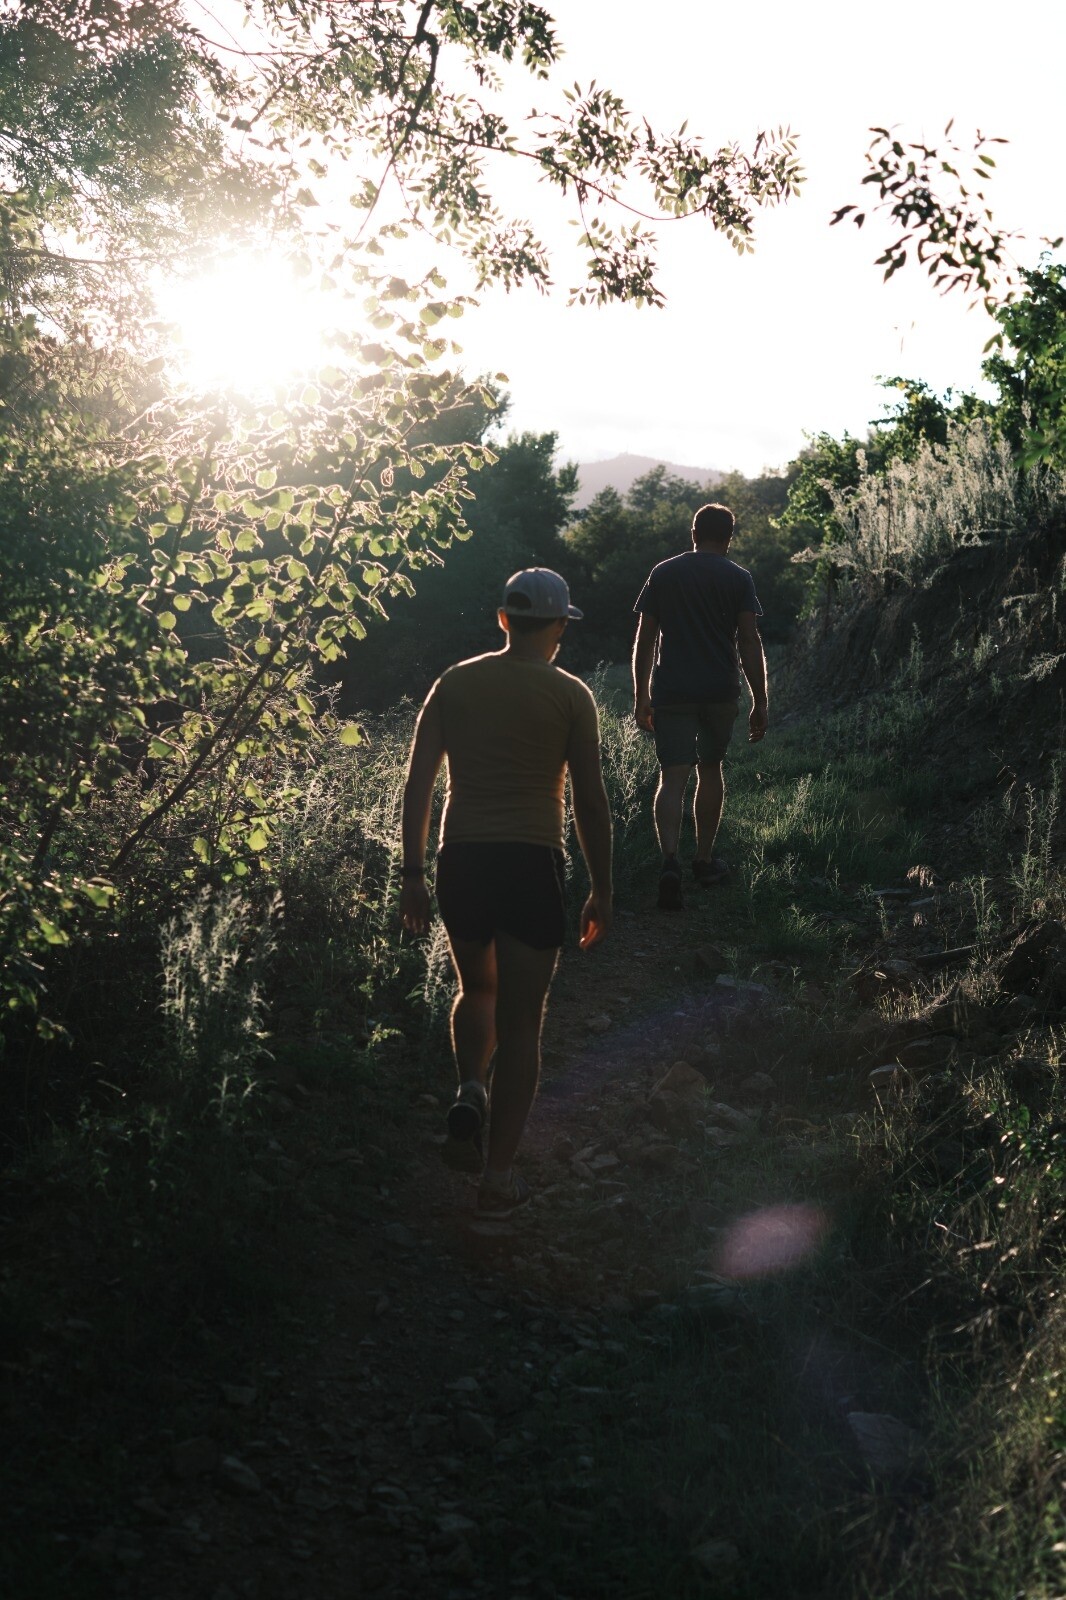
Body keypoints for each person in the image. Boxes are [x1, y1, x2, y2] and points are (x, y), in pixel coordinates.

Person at [399, 567, 613, 1225]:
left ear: (502, 620)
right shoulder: (571, 695)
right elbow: (589, 799)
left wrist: (411, 874)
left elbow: (418, 784)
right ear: (556, 627)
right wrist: (603, 887)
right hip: (530, 860)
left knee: (477, 989)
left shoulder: (454, 682)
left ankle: (468, 1088)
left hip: (460, 858)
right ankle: (497, 1178)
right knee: (522, 1023)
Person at [631, 502, 767, 910]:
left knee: (672, 777)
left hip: (672, 690)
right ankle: (704, 860)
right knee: (710, 769)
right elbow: (749, 641)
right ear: (729, 537)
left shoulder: (663, 572)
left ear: (693, 533)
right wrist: (760, 701)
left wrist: (641, 694)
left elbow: (645, 639)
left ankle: (669, 861)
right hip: (719, 690)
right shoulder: (739, 578)